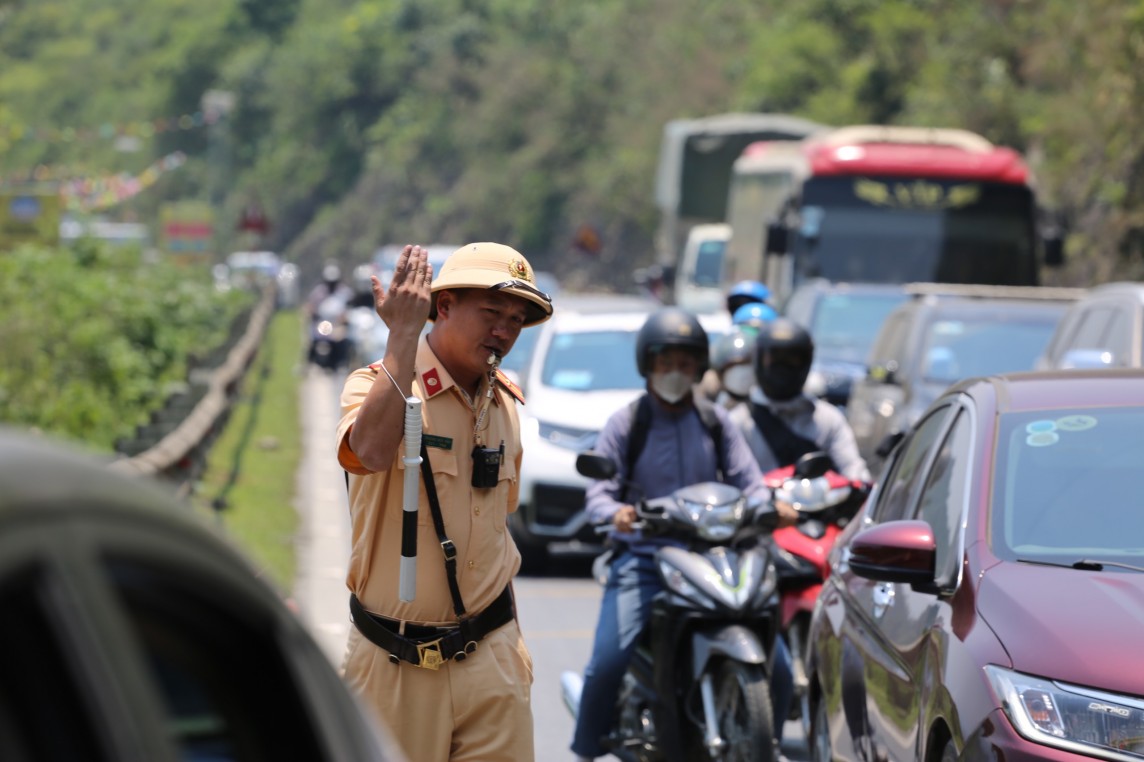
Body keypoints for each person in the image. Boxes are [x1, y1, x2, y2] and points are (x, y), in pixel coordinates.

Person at [336, 243, 553, 762]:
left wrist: (513, 653)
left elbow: (497, 538)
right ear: (445, 306)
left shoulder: (505, 404)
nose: (504, 330)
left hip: (492, 659)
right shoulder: (379, 384)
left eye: (516, 319)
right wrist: (402, 338)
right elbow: (367, 450)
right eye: (492, 312)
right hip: (396, 663)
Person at [570, 306, 797, 762]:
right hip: (643, 559)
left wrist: (771, 507)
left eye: (686, 363)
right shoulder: (626, 423)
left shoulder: (716, 422)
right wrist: (617, 514)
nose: (676, 372)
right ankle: (585, 749)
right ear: (647, 365)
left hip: (713, 556)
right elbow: (599, 494)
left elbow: (749, 482)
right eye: (665, 362)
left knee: (784, 671)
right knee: (609, 661)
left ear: (700, 367)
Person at [729, 317, 870, 480]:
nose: (781, 367)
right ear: (759, 360)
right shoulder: (737, 422)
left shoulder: (828, 419)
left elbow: (854, 472)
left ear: (805, 362)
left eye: (791, 359)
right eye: (774, 358)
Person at [709, 326, 756, 410]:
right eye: (734, 365)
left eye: (745, 365)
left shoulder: (763, 410)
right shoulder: (712, 410)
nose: (741, 374)